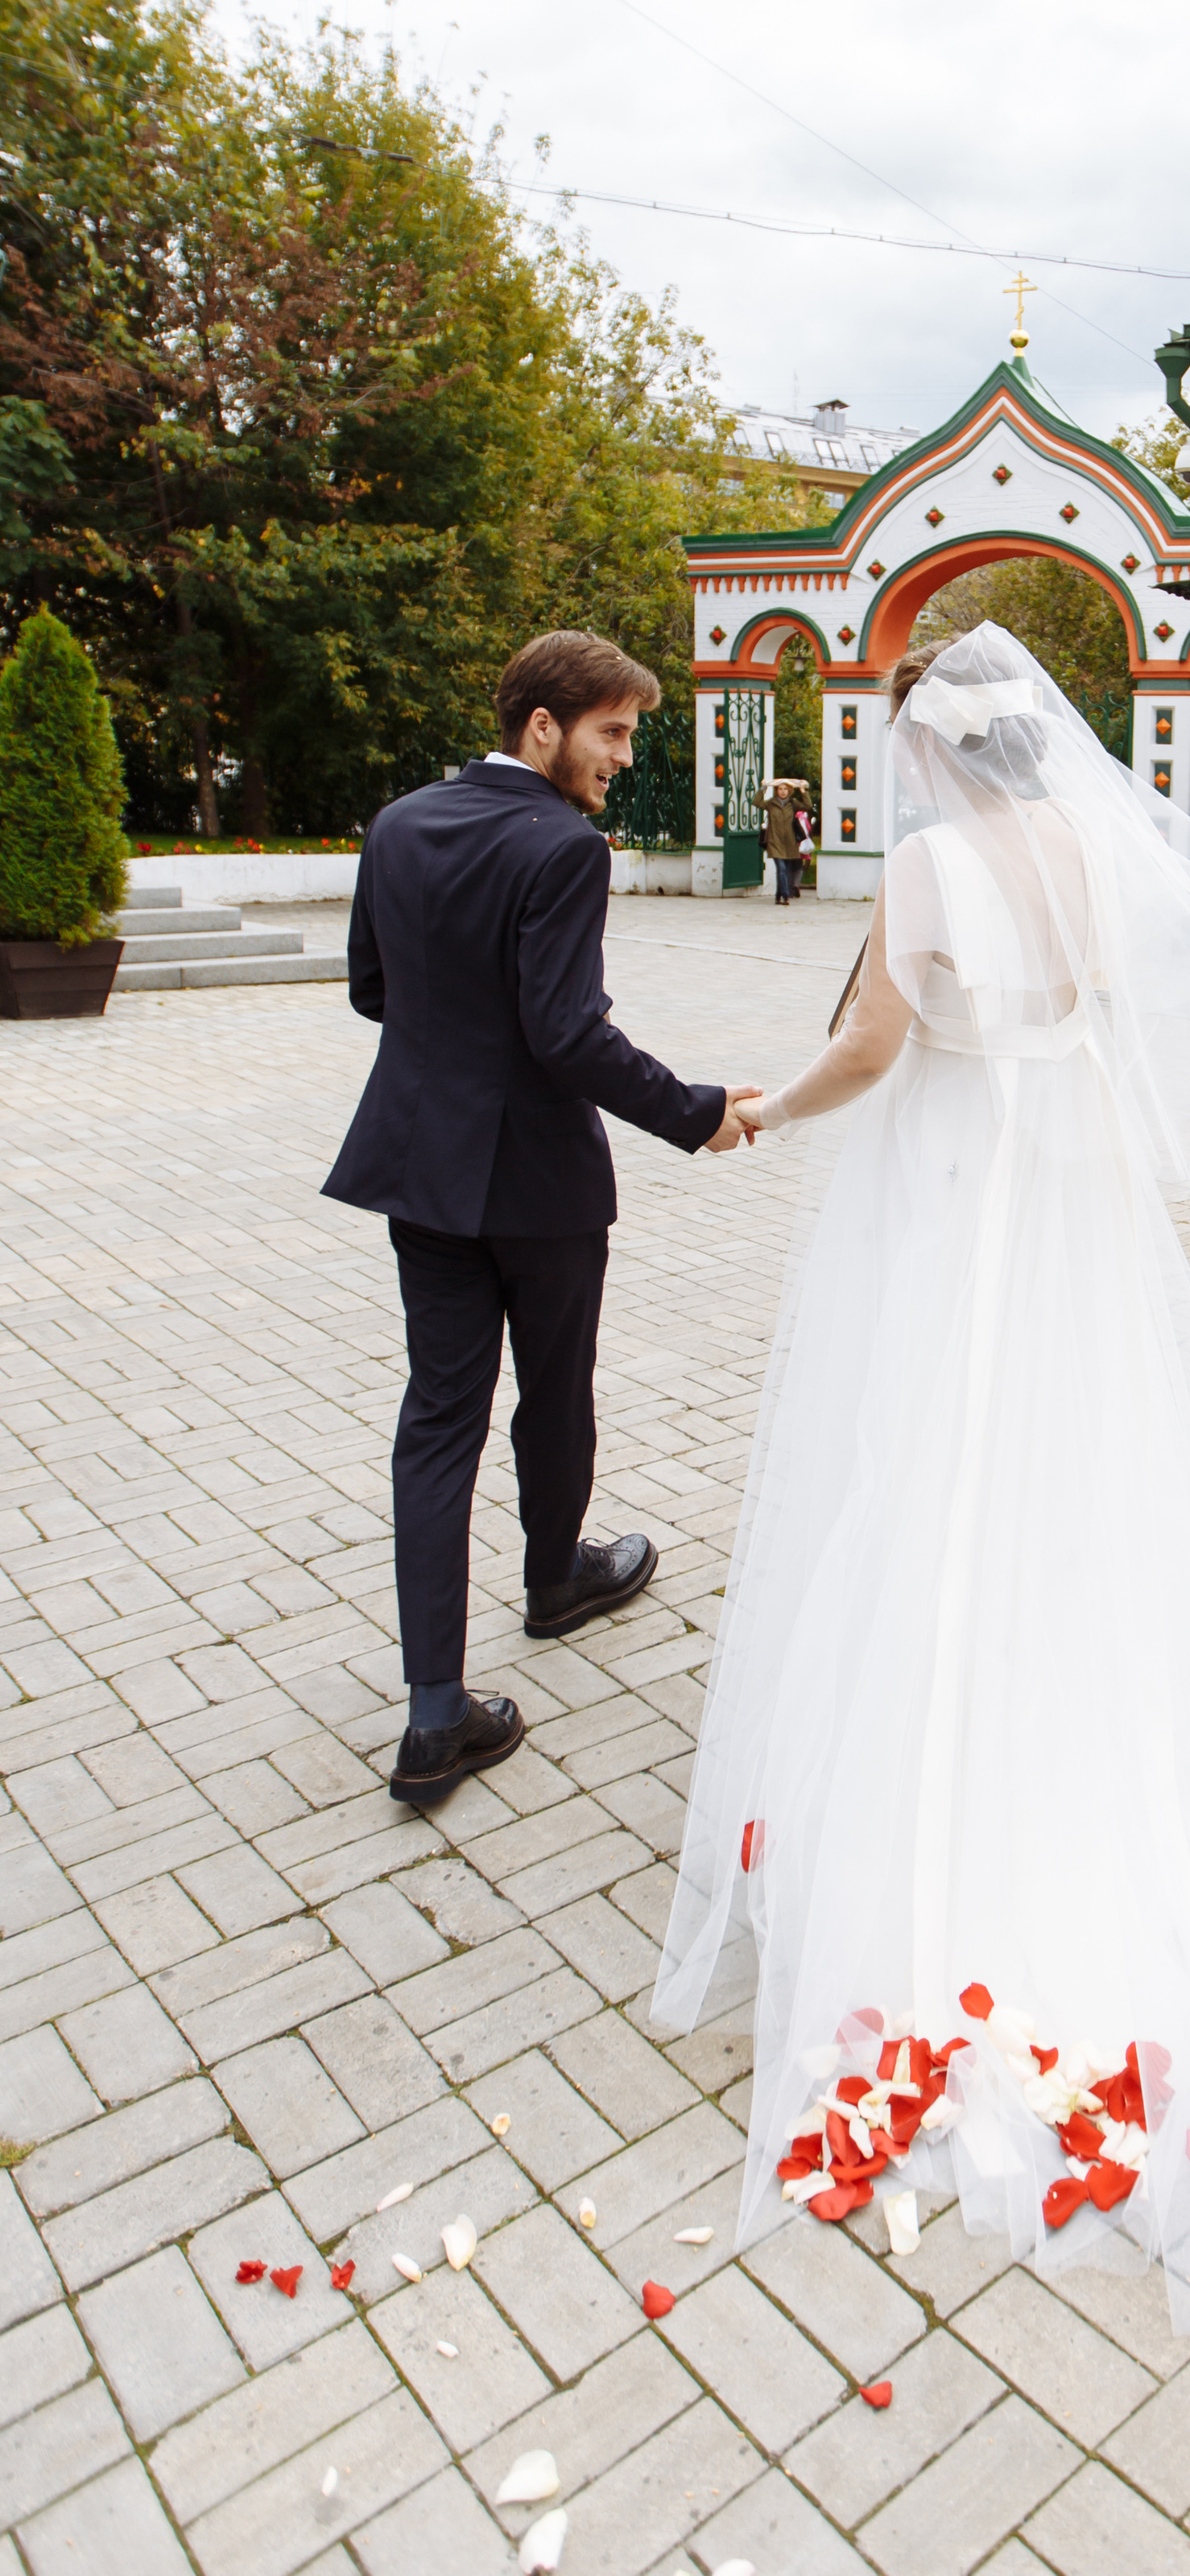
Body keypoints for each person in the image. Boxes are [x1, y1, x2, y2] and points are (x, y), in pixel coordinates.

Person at [654, 623, 1190, 2325]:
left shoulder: (922, 870)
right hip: (1069, 1201)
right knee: (1080, 1468)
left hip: (956, 1196)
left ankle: (925, 1809)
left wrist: (762, 1112)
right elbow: (1108, 1031)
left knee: (927, 1467)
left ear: (936, 755)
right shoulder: (1095, 859)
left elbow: (877, 1052)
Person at [323, 630, 761, 1810]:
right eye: (612, 734)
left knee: (436, 1422)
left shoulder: (400, 822)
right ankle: (558, 1579)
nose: (622, 757)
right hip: (539, 1185)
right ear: (543, 727)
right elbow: (567, 1034)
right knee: (555, 1389)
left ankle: (432, 1718)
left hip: (421, 1167)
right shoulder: (564, 848)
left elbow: (374, 988)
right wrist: (698, 1112)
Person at [760, 777, 804, 905]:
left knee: (784, 870)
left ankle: (778, 896)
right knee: (781, 868)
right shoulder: (771, 803)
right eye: (780, 789)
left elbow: (807, 805)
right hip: (775, 841)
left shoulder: (793, 804)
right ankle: (786, 895)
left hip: (790, 843)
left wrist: (803, 791)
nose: (783, 791)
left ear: (789, 790)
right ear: (776, 790)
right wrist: (763, 789)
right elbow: (756, 802)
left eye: (785, 789)